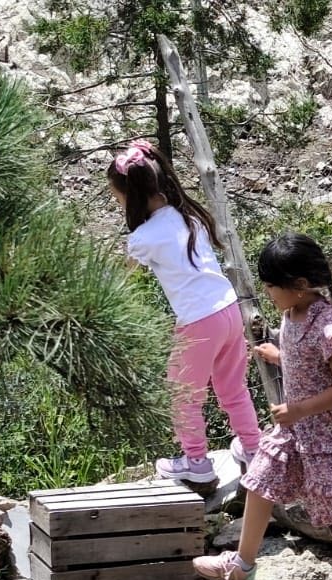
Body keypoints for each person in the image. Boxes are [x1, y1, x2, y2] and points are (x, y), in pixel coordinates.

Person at [190, 233, 332, 580]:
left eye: (271, 287)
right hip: (300, 429)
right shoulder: (292, 312)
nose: (268, 295)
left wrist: (297, 409)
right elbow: (310, 363)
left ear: (300, 285)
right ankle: (242, 565)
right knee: (260, 480)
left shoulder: (326, 326)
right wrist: (282, 358)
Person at [108, 139, 262, 484]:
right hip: (228, 310)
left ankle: (197, 464)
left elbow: (119, 278)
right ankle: (253, 450)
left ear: (131, 196)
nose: (119, 205)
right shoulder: (188, 215)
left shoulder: (143, 237)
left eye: (118, 198)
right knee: (233, 389)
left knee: (182, 394)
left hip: (197, 323)